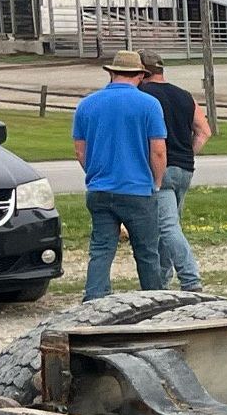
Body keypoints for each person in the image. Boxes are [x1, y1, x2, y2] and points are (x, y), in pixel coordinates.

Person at [72, 50, 168, 299]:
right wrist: (156, 182)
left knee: (101, 249)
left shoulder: (87, 104)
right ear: (140, 75)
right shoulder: (149, 105)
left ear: (112, 73)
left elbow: (80, 151)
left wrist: (95, 173)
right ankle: (154, 300)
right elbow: (158, 151)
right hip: (138, 189)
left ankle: (94, 299)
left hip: (100, 188)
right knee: (147, 252)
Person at [138, 49, 209, 291]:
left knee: (167, 227)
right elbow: (204, 131)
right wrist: (188, 153)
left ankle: (190, 279)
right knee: (169, 225)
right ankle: (161, 280)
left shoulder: (144, 95)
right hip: (185, 168)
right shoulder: (184, 95)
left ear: (142, 72)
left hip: (161, 167)